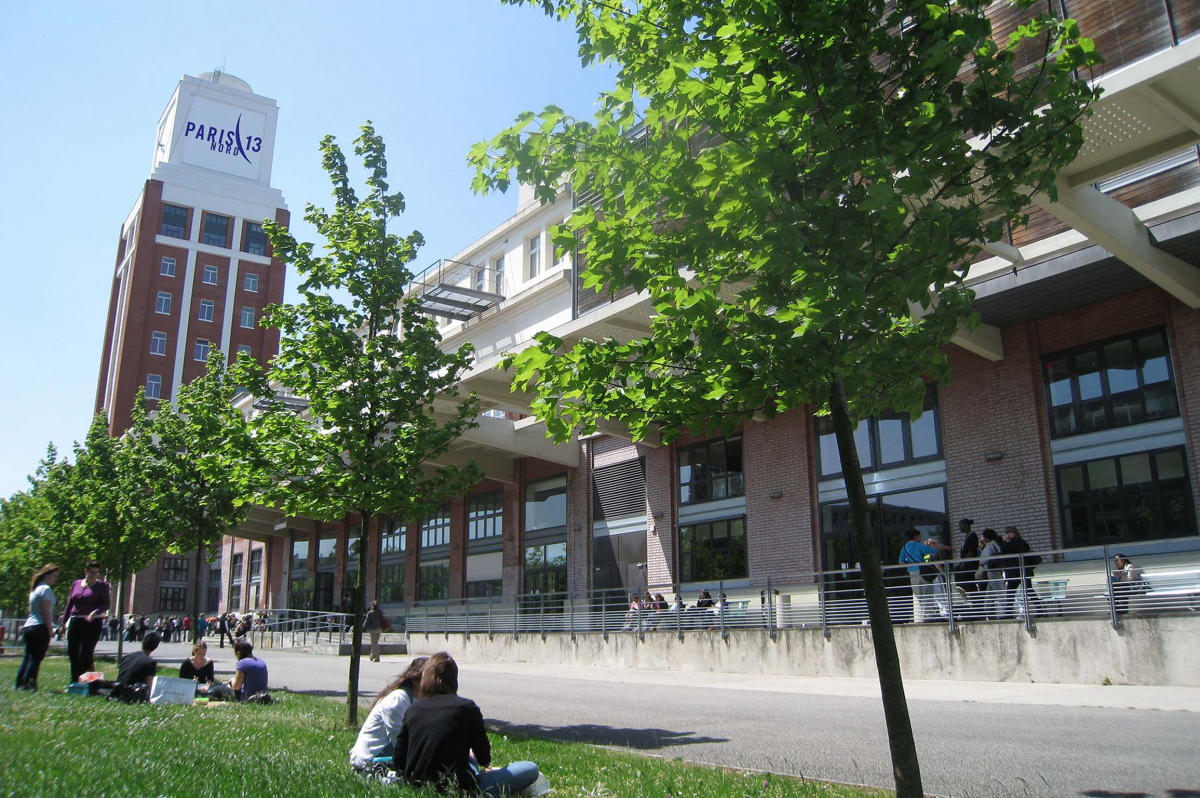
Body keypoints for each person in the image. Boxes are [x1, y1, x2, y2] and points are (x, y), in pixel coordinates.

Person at [396, 653, 539, 796]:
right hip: (459, 789)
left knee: (469, 761)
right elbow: (484, 759)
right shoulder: (466, 707)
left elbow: (399, 760)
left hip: (417, 786)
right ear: (454, 679)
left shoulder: (413, 709)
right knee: (530, 768)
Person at [349, 656, 429, 772]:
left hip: (389, 754)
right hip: (371, 760)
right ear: (415, 680)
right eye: (430, 680)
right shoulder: (398, 699)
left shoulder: (421, 701)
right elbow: (398, 742)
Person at [60, 560, 111, 683]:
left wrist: (95, 612)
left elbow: (106, 604)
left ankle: (85, 682)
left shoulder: (102, 586)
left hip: (92, 623)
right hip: (76, 622)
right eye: (91, 572)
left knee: (86, 654)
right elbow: (70, 604)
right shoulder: (76, 584)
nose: (93, 575)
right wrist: (63, 622)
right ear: (85, 571)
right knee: (73, 653)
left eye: (96, 573)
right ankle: (74, 681)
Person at [16, 564, 59, 691]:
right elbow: (46, 611)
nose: (56, 579)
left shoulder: (35, 588)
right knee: (36, 658)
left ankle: (20, 683)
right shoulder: (46, 589)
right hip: (39, 627)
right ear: (47, 575)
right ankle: (29, 683)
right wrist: (50, 628)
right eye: (54, 576)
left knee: (27, 657)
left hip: (29, 626)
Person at [899, 530, 949, 623]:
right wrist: (944, 547)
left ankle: (921, 617)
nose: (920, 538)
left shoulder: (904, 548)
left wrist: (909, 564)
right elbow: (932, 550)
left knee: (919, 595)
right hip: (922, 572)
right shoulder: (919, 545)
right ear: (915, 536)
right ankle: (928, 616)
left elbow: (901, 561)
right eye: (919, 536)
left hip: (912, 573)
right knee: (928, 593)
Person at [1000, 526, 1041, 619]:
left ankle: (1008, 613)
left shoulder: (1013, 543)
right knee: (1028, 590)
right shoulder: (1022, 542)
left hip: (1015, 572)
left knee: (1011, 592)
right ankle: (1040, 609)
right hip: (1023, 571)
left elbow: (1004, 552)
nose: (1006, 534)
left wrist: (1003, 541)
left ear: (1012, 533)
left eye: (1007, 532)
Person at [977, 529, 1005, 620]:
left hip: (992, 571)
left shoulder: (989, 546)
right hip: (995, 571)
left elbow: (987, 558)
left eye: (984, 537)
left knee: (998, 592)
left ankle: (1003, 613)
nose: (982, 538)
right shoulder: (996, 544)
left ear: (987, 537)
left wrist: (980, 562)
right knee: (990, 592)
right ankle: (986, 610)